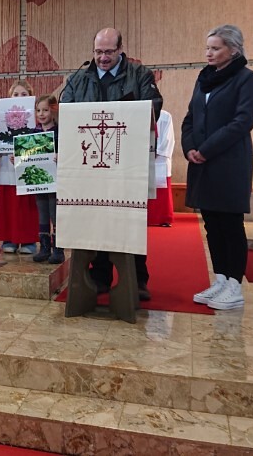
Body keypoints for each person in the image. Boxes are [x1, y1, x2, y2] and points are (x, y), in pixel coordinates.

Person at [60, 27, 162, 301]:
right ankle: (100, 275)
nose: (103, 58)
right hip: (89, 165)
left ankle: (137, 278)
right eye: (98, 52)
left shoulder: (140, 75)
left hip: (127, 164)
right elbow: (66, 113)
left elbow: (153, 105)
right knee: (95, 219)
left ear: (120, 50)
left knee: (130, 219)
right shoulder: (78, 79)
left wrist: (125, 114)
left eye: (108, 52)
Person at [186, 25, 253, 310]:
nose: (209, 53)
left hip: (229, 163)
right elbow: (190, 118)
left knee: (230, 224)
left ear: (234, 49)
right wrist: (189, 148)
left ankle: (234, 285)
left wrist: (206, 149)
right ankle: (220, 279)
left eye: (215, 48)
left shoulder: (246, 79)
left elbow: (242, 122)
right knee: (212, 225)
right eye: (207, 48)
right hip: (202, 163)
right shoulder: (203, 79)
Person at [0, 81, 38, 255]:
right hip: (7, 167)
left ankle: (28, 239)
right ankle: (9, 238)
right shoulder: (2, 121)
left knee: (27, 206)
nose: (20, 97)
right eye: (16, 94)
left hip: (27, 169)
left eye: (24, 94)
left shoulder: (35, 122)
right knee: (9, 206)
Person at [32, 94, 64, 264]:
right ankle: (44, 248)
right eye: (38, 110)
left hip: (56, 180)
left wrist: (61, 156)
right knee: (43, 213)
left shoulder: (60, 133)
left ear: (53, 111)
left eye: (45, 110)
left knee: (55, 213)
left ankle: (58, 249)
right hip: (39, 181)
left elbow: (69, 152)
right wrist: (18, 159)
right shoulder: (33, 133)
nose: (41, 114)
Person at [147, 109, 175, 226]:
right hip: (142, 156)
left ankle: (163, 218)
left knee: (161, 188)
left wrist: (156, 151)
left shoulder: (165, 116)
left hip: (159, 157)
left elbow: (168, 138)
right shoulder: (138, 112)